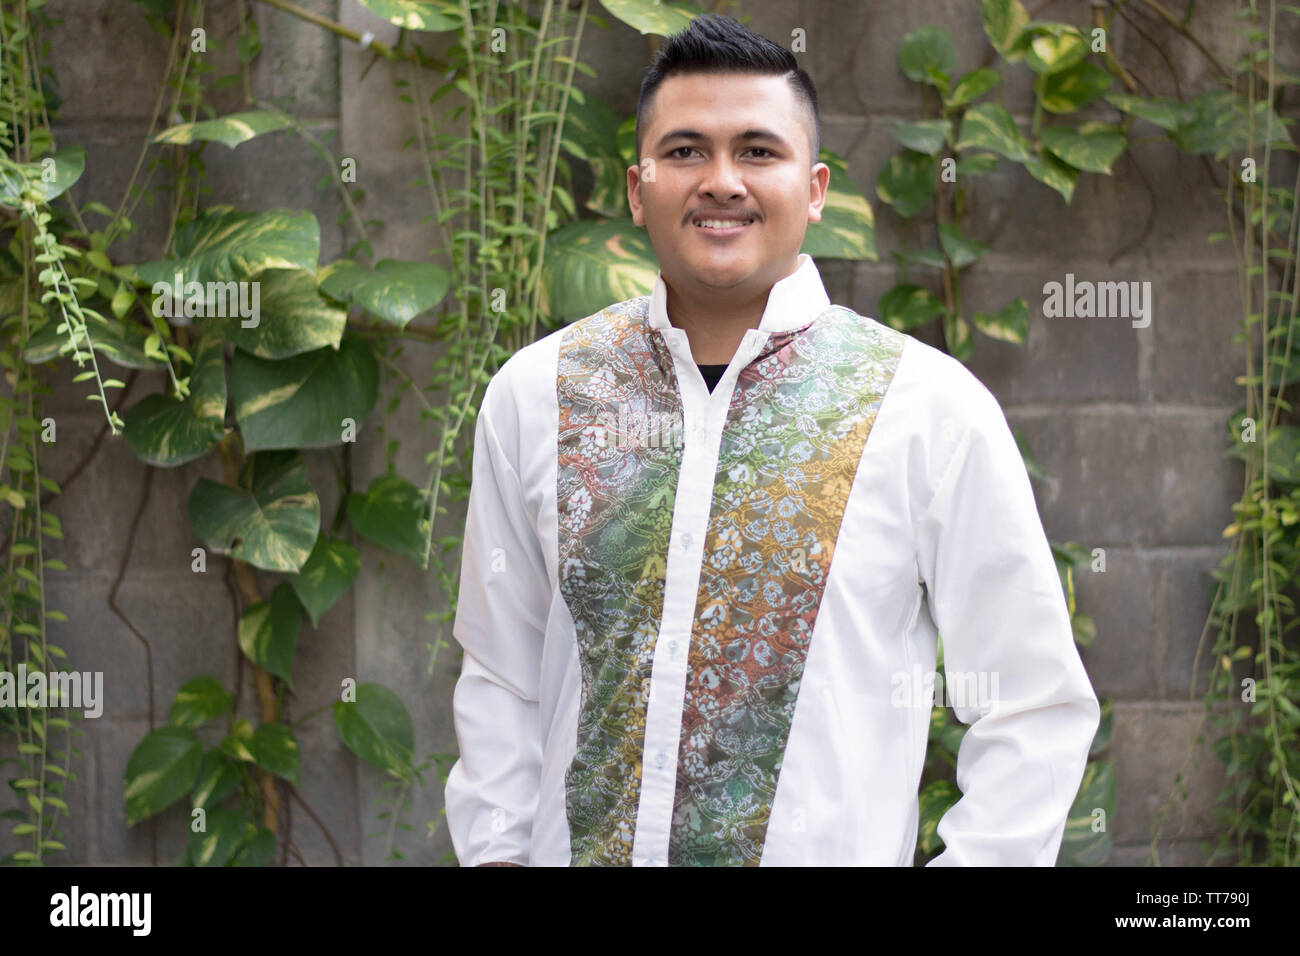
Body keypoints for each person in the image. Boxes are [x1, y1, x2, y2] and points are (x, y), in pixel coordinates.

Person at [443, 13, 1100, 867]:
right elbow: (500, 677)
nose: (721, 181)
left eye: (758, 151)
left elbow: (1032, 703)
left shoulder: (928, 410)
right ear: (638, 188)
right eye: (685, 152)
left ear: (816, 187)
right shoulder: (539, 395)